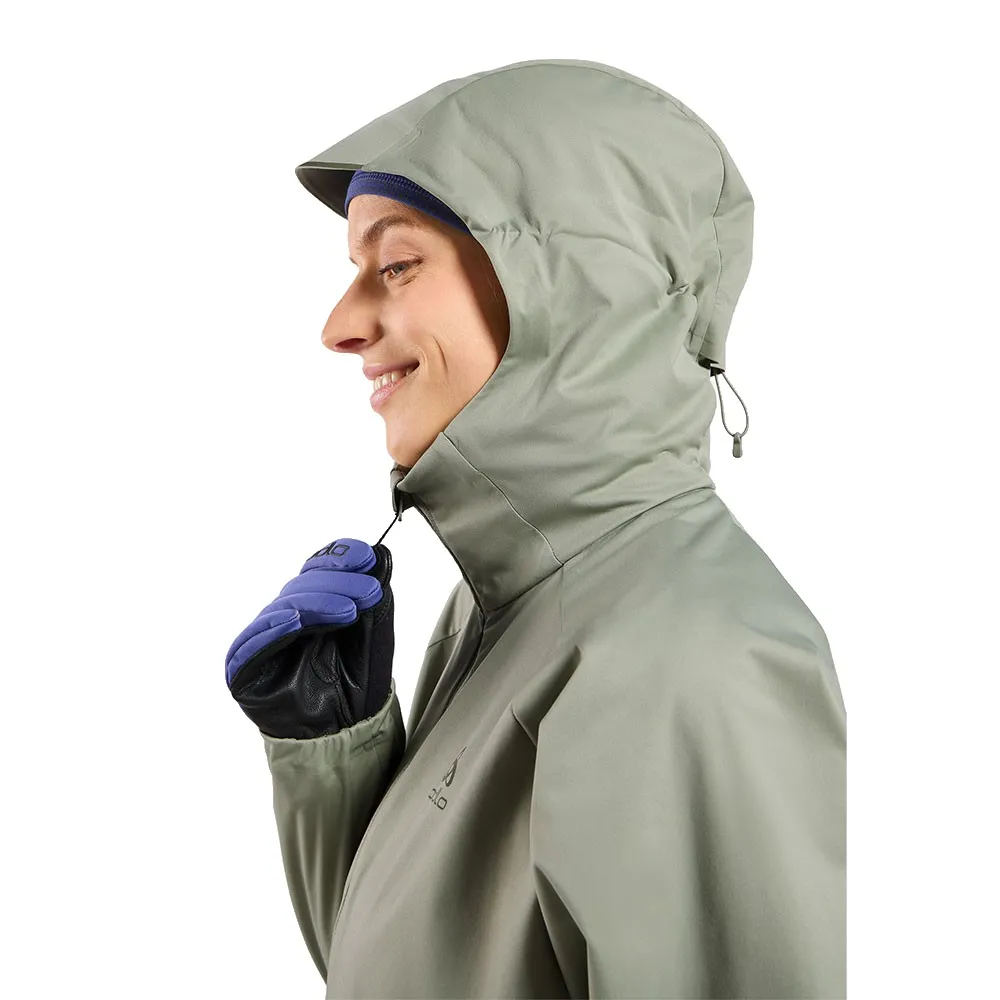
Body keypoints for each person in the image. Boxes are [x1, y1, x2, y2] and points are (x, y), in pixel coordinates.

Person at [226, 58, 847, 999]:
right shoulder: (509, 608)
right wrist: (332, 754)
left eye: (396, 265)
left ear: (576, 288)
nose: (340, 325)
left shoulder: (690, 657)